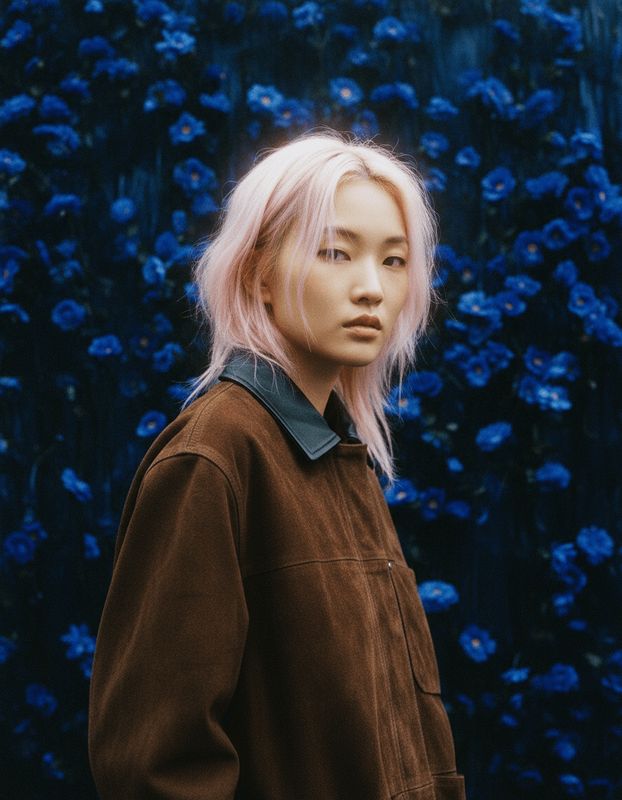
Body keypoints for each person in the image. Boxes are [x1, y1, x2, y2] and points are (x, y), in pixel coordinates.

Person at [87, 128, 466, 799]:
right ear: (260, 273)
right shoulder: (216, 457)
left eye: (394, 260)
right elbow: (156, 762)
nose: (371, 289)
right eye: (335, 253)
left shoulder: (339, 457)